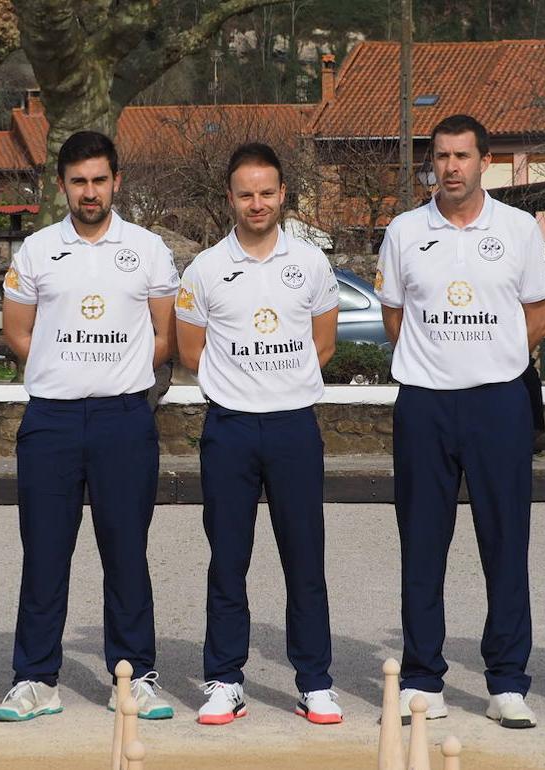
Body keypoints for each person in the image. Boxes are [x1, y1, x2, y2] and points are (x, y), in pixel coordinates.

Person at [377, 114, 545, 729]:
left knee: (505, 542)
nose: (451, 167)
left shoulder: (519, 228)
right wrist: (437, 362)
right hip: (425, 403)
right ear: (432, 163)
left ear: (484, 162)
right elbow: (394, 317)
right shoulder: (403, 230)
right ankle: (423, 679)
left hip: (498, 402)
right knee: (422, 542)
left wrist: (499, 357)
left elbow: (538, 309)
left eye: (462, 156)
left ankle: (507, 680)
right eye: (442, 156)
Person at [0, 130, 178, 722]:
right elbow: (18, 334)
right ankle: (34, 679)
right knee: (45, 553)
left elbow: (164, 337)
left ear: (116, 181)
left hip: (123, 418)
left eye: (99, 180)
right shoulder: (37, 250)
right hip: (51, 417)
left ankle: (135, 676)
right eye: (78, 181)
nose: (90, 191)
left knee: (126, 551)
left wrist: (115, 377)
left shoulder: (148, 249)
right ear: (62, 186)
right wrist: (65, 369)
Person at [175, 143, 342, 726]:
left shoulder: (312, 263)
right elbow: (192, 352)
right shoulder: (204, 269)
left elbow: (323, 344)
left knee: (305, 560)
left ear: (282, 195)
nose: (257, 203)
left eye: (266, 192)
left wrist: (281, 385)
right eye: (245, 193)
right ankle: (224, 680)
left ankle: (315, 681)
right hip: (230, 430)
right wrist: (242, 390)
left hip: (295, 425)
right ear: (230, 197)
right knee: (228, 560)